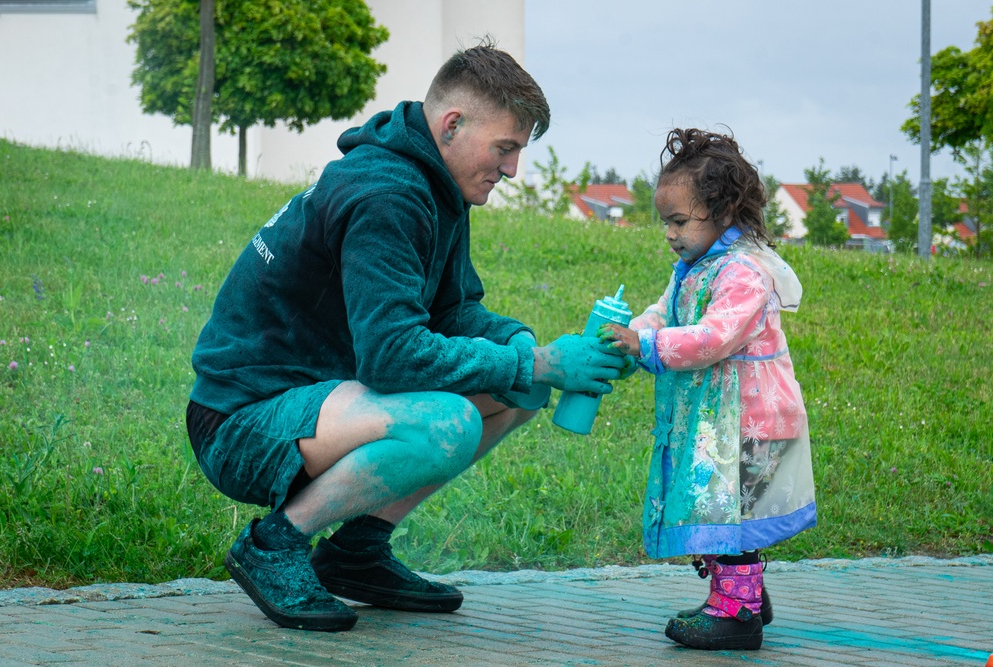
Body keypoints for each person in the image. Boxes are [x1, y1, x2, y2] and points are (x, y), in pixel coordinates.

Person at [185, 41, 623, 632]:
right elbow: (393, 357)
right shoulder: (387, 194)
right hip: (241, 421)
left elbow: (455, 313)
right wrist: (538, 362)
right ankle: (273, 545)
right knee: (449, 421)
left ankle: (357, 552)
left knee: (518, 391)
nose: (513, 169)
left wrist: (535, 353)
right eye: (506, 148)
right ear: (452, 124)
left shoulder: (436, 184)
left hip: (321, 397)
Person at [600, 128, 816, 651]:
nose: (670, 234)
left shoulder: (744, 271)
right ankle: (743, 594)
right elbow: (666, 311)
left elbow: (713, 338)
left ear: (722, 211)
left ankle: (737, 614)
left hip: (748, 418)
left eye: (679, 221)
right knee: (715, 505)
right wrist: (633, 333)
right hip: (716, 416)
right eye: (666, 223)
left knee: (728, 512)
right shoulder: (693, 268)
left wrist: (647, 346)